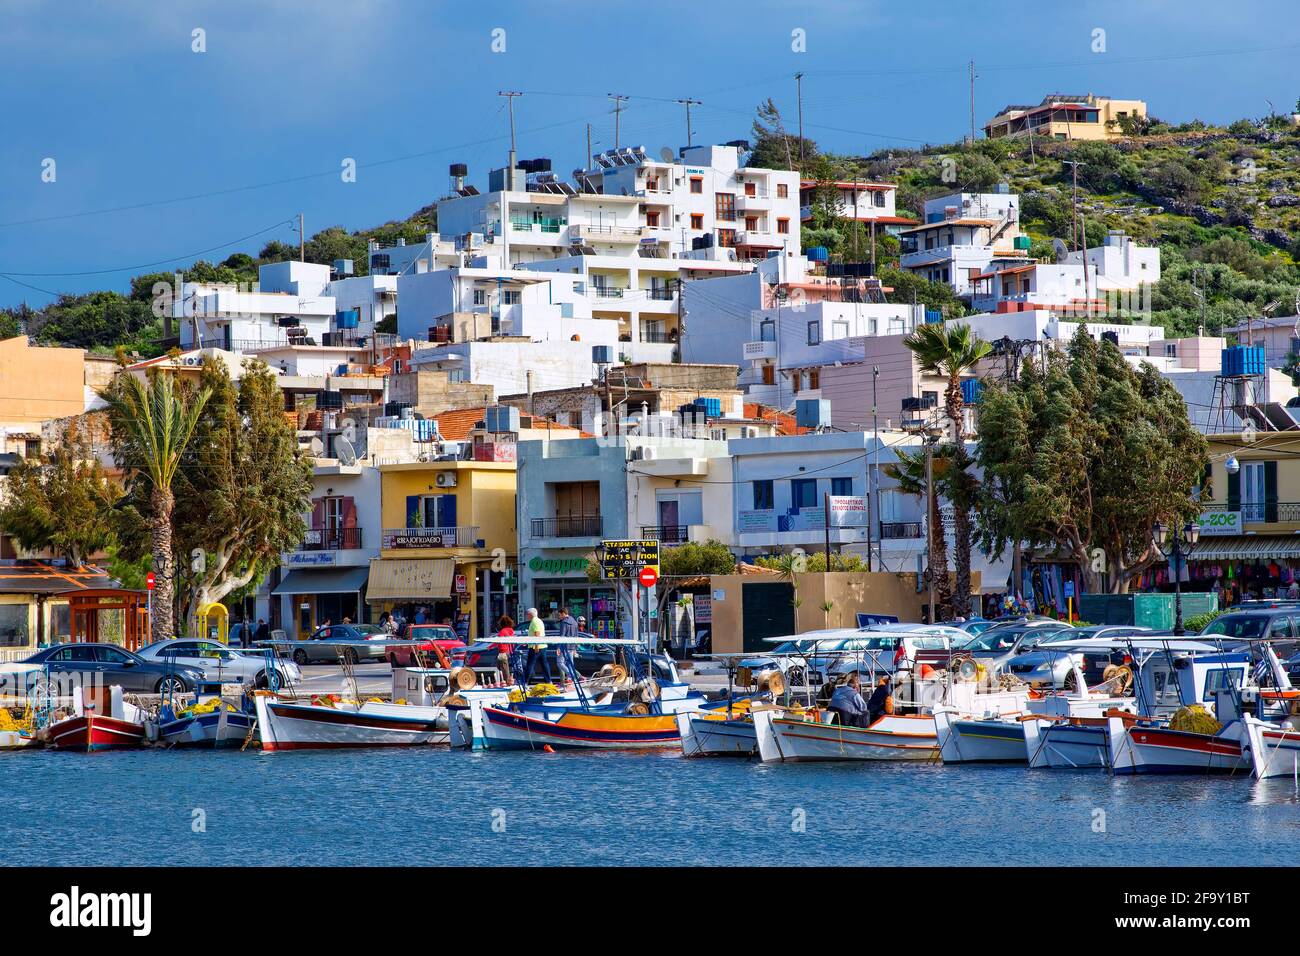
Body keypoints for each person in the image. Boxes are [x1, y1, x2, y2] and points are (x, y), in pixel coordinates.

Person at [523, 607, 553, 682]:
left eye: (527, 614)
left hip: (535, 647)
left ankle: (525, 682)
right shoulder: (539, 620)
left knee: (530, 664)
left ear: (530, 614)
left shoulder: (534, 621)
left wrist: (536, 646)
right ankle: (548, 681)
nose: (527, 616)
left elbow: (537, 634)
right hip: (542, 646)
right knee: (544, 664)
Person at [494, 615, 516, 684]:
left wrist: (490, 647)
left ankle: (507, 681)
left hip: (502, 651)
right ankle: (509, 680)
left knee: (503, 667)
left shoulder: (502, 631)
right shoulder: (511, 630)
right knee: (506, 667)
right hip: (509, 651)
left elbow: (499, 642)